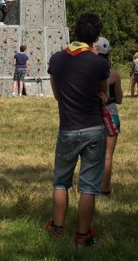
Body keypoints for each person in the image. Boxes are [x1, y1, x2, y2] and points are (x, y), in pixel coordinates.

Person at [45, 13, 110, 247]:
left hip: (68, 127)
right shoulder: (100, 63)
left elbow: (56, 95)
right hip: (93, 127)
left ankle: (57, 227)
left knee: (61, 182)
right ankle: (83, 235)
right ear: (95, 39)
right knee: (89, 185)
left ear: (74, 32)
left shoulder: (56, 60)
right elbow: (103, 94)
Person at [93, 37, 123, 197]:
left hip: (91, 115)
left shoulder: (87, 71)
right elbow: (119, 99)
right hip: (111, 115)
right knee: (107, 156)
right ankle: (104, 190)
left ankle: (89, 188)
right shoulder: (114, 75)